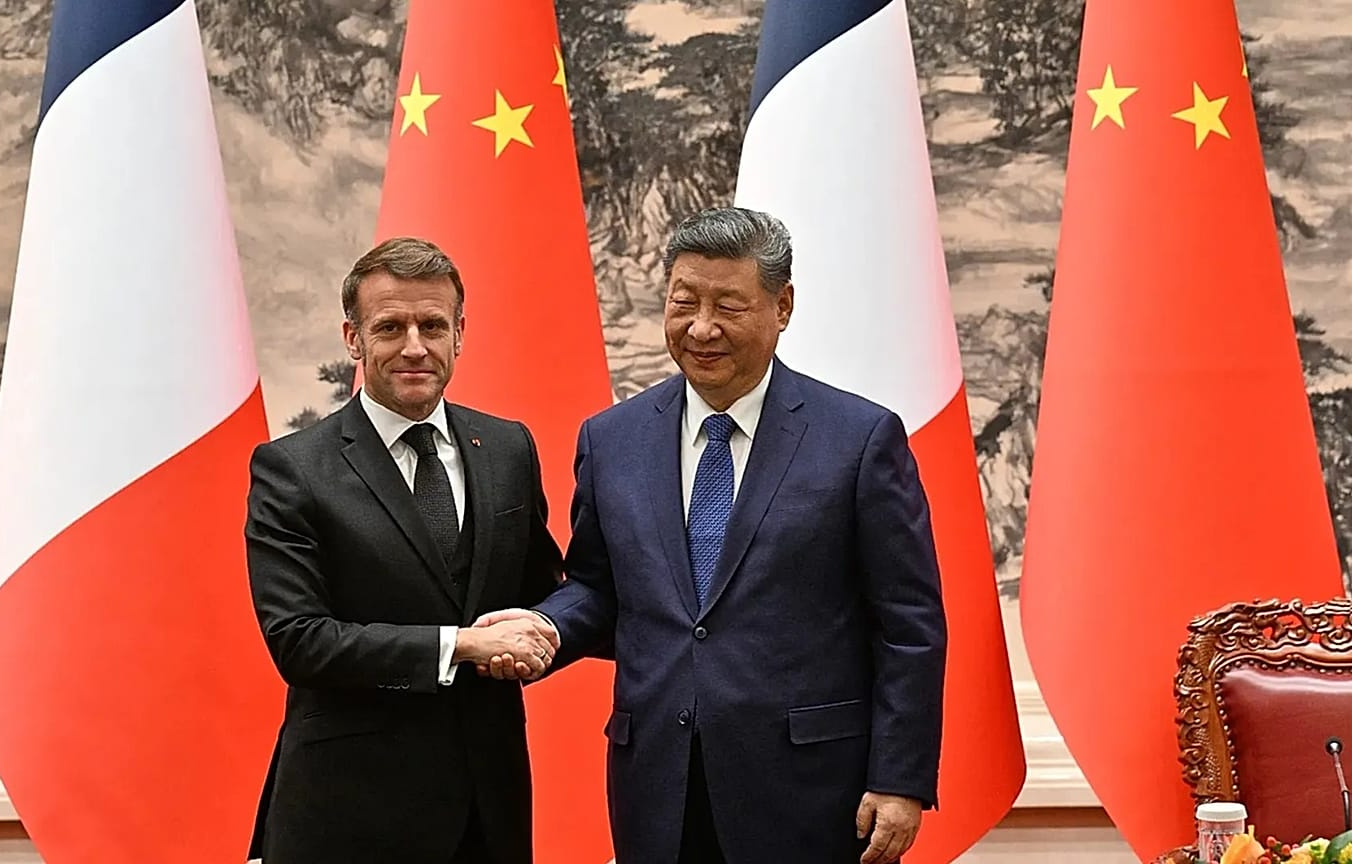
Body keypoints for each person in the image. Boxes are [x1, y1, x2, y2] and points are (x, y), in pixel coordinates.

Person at [481, 208, 947, 864]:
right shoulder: (611, 440)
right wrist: (545, 627)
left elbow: (908, 624)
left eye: (729, 305)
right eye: (683, 302)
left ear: (781, 307)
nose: (702, 328)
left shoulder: (859, 440)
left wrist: (899, 779)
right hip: (659, 788)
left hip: (812, 792)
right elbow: (598, 587)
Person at [245, 237, 563, 864]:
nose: (415, 346)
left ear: (460, 333)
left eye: (433, 325)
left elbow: (542, 591)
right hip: (348, 816)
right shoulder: (292, 469)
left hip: (489, 811)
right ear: (353, 338)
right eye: (390, 326)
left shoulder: (507, 449)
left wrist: (550, 627)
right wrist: (462, 644)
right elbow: (300, 640)